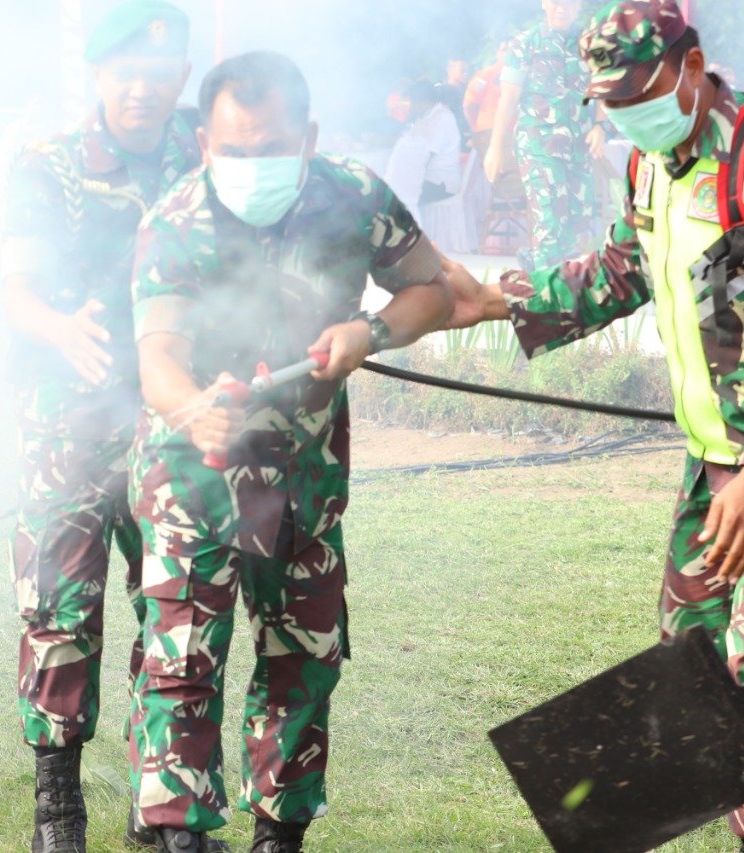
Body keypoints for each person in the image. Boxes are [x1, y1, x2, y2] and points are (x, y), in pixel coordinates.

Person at [442, 2, 744, 849]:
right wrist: (498, 301)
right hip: (715, 469)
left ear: (690, 66)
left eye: (638, 94)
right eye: (611, 103)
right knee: (696, 671)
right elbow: (621, 269)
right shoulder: (652, 165)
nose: (626, 115)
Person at [127, 51, 453, 853]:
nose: (251, 166)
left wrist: (370, 330)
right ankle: (179, 839)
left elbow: (432, 288)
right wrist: (194, 410)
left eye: (270, 148)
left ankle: (280, 836)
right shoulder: (176, 221)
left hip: (304, 478)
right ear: (204, 143)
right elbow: (157, 358)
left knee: (302, 662)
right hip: (192, 475)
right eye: (233, 151)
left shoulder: (355, 196)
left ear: (307, 138)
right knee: (181, 667)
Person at [1, 2, 205, 850]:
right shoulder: (50, 164)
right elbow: (16, 291)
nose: (142, 91)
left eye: (159, 75)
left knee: (177, 604)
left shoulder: (206, 154)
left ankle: (159, 802)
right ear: (97, 75)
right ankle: (59, 808)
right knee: (61, 609)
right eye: (126, 75)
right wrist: (60, 328)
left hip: (172, 415)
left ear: (181, 76)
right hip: (73, 420)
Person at [485, 0, 607, 267]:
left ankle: (556, 279)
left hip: (578, 147)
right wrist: (495, 147)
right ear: (544, 3)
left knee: (577, 224)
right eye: (556, 2)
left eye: (570, 2)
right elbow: (508, 98)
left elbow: (604, 87)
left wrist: (601, 126)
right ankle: (543, 283)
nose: (562, 8)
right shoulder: (524, 44)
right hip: (539, 146)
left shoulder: (593, 44)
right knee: (550, 224)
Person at [384, 80, 463, 219]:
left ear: (424, 102)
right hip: (425, 179)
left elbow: (426, 156)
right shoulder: (423, 118)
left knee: (398, 195)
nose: (411, 108)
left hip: (440, 183)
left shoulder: (442, 118)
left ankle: (409, 231)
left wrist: (404, 175)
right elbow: (407, 144)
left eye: (413, 103)